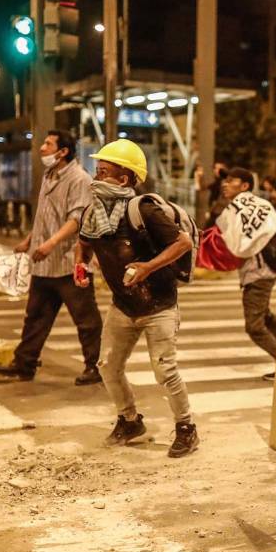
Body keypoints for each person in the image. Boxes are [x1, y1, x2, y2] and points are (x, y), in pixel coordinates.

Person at [75, 140, 198, 454]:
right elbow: (85, 241)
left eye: (103, 172)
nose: (95, 178)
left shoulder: (143, 209)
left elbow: (182, 243)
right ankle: (130, 421)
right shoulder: (93, 212)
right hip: (123, 306)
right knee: (108, 365)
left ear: (124, 179)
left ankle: (186, 428)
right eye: (96, 170)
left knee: (165, 370)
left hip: (160, 305)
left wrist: (148, 267)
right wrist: (80, 263)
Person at [0, 129, 103, 385]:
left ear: (63, 151)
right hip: (44, 264)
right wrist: (30, 241)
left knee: (86, 319)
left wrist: (51, 244)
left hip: (69, 263)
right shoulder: (49, 175)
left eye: (48, 144)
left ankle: (95, 367)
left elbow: (77, 219)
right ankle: (25, 363)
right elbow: (45, 216)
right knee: (35, 316)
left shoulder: (79, 179)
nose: (42, 148)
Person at [210, 167, 276, 361]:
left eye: (231, 180)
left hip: (258, 273)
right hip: (262, 271)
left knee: (254, 327)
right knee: (266, 317)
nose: (225, 184)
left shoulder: (245, 210)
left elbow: (239, 247)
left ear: (244, 186)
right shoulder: (248, 207)